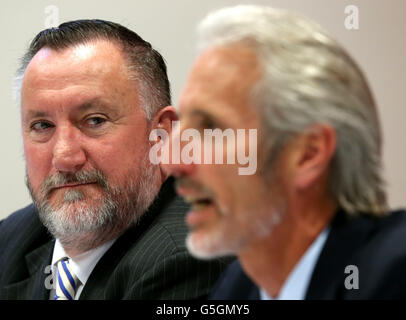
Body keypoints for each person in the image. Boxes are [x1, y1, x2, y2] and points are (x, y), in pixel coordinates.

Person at [165, 5, 406, 299]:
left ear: (308, 154)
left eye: (211, 128)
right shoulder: (236, 288)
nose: (172, 160)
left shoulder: (394, 274)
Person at [0, 19, 230, 300]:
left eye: (94, 120)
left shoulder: (190, 258)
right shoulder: (11, 239)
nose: (64, 157)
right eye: (42, 125)